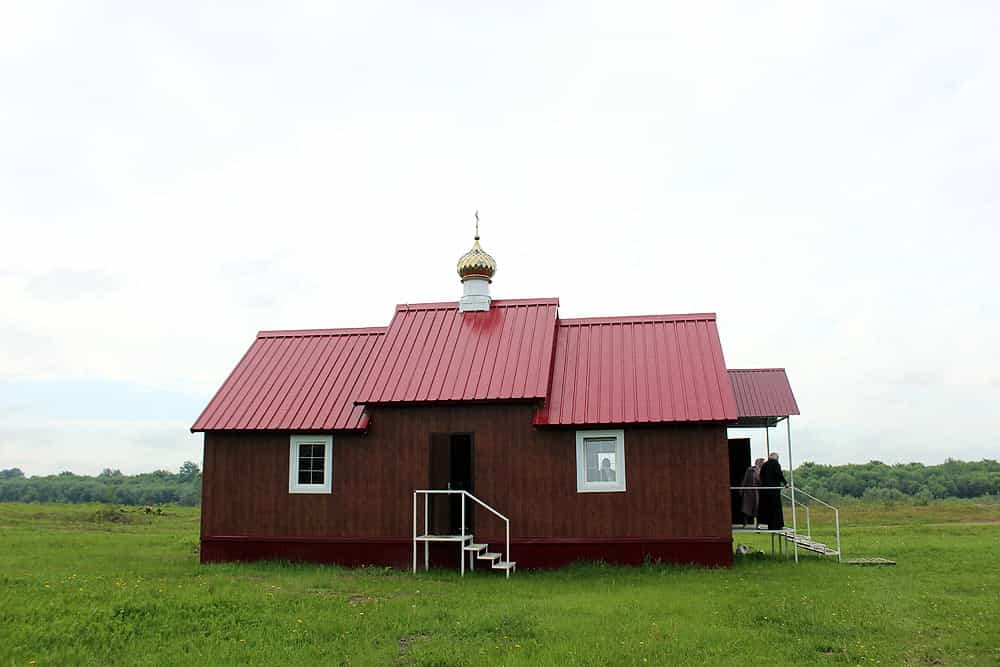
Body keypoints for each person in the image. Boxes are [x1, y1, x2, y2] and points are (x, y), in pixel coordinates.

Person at [757, 452, 787, 530]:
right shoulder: (776, 464)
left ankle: (768, 524)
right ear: (776, 458)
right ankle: (777, 525)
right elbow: (779, 474)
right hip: (774, 490)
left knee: (767, 507)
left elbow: (761, 476)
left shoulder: (765, 465)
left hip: (765, 490)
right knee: (776, 508)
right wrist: (785, 483)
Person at [740, 458, 765, 526]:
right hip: (748, 492)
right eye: (762, 462)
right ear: (758, 463)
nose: (763, 464)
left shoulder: (763, 471)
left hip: (757, 492)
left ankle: (758, 524)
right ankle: (744, 523)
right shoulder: (750, 470)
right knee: (746, 508)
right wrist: (741, 490)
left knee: (757, 508)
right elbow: (745, 479)